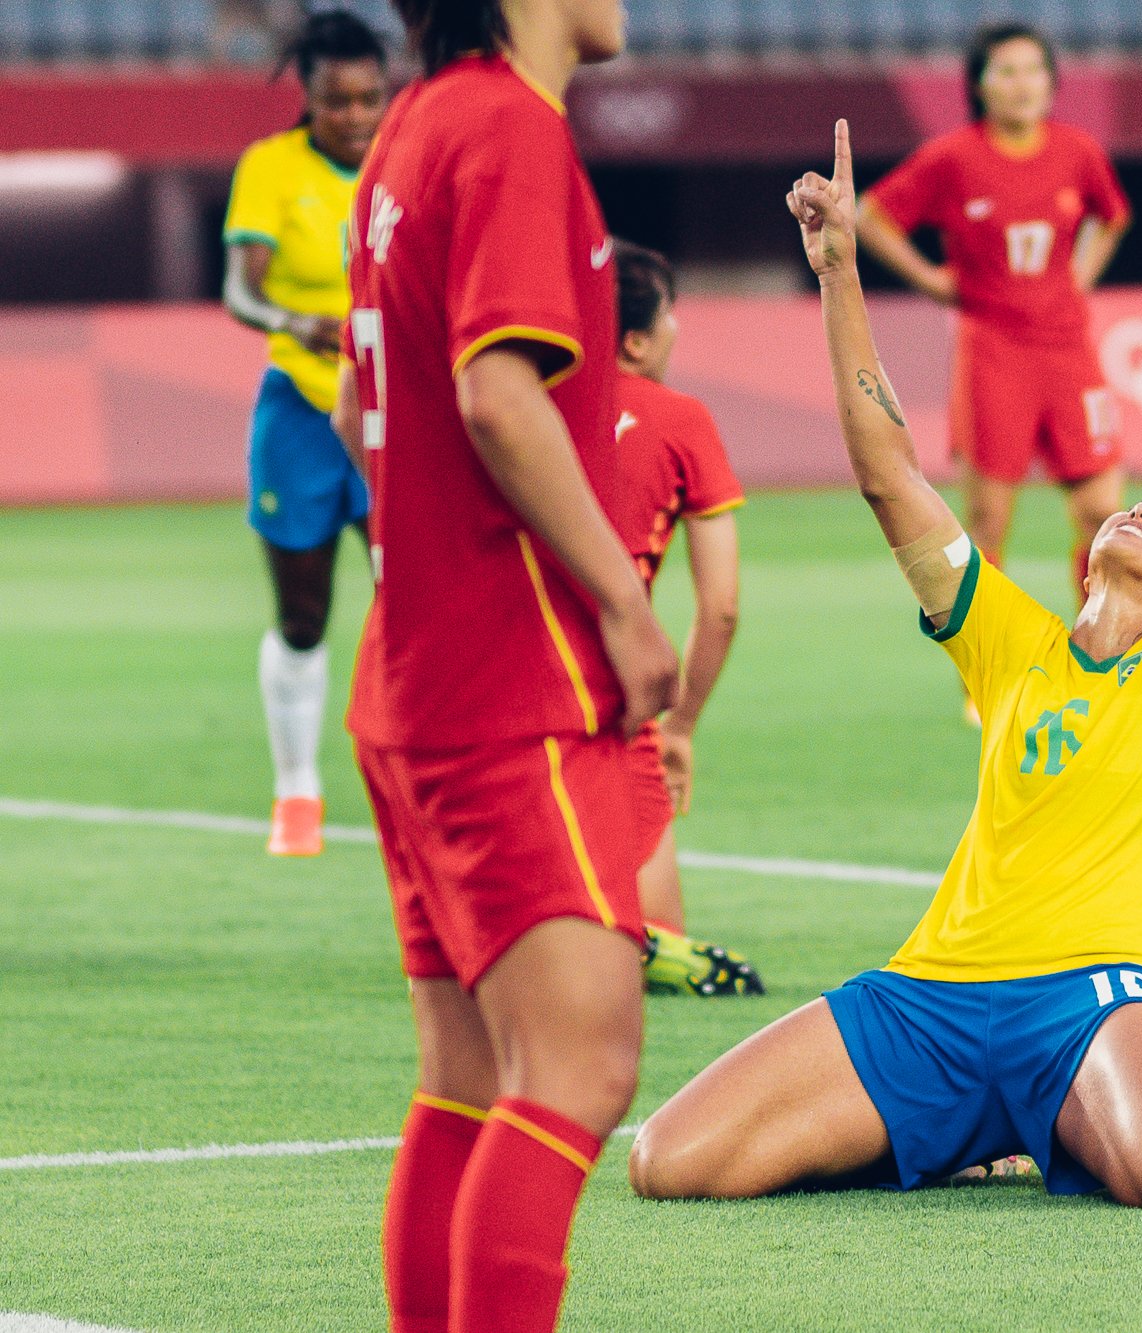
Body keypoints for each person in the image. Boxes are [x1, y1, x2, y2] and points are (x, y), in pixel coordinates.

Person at [627, 125, 1142, 1207]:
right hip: (933, 994)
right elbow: (888, 475)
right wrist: (840, 272)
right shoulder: (1010, 640)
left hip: (1094, 999)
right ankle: (1000, 1125)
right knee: (670, 1163)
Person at [333, 2, 678, 1330]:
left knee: (467, 1082)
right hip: (512, 688)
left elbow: (365, 408)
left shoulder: (411, 130)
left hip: (416, 678)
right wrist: (625, 604)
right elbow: (495, 393)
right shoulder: (508, 135)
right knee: (579, 1067)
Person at [856, 22, 1131, 620]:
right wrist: (930, 280)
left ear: (1053, 82)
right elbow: (870, 215)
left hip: (1069, 349)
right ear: (980, 85)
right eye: (1005, 70)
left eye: (1033, 69)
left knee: (1103, 512)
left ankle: (1098, 643)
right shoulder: (954, 158)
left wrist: (1080, 277)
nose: (1022, 83)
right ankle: (985, 677)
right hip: (994, 350)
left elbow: (1112, 215)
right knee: (988, 523)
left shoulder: (1077, 150)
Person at [220, 10, 387, 857]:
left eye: (369, 99)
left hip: (395, 416)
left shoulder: (407, 156)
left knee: (416, 607)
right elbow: (240, 290)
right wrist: (297, 318)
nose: (356, 117)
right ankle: (297, 792)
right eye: (337, 102)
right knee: (304, 614)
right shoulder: (271, 168)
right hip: (302, 410)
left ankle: (418, 781)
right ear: (308, 97)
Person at [608, 241, 764, 997]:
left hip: (485, 670)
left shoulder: (511, 401)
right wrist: (681, 725)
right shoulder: (678, 419)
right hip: (608, 677)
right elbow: (722, 605)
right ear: (637, 338)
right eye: (669, 316)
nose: (675, 330)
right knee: (655, 948)